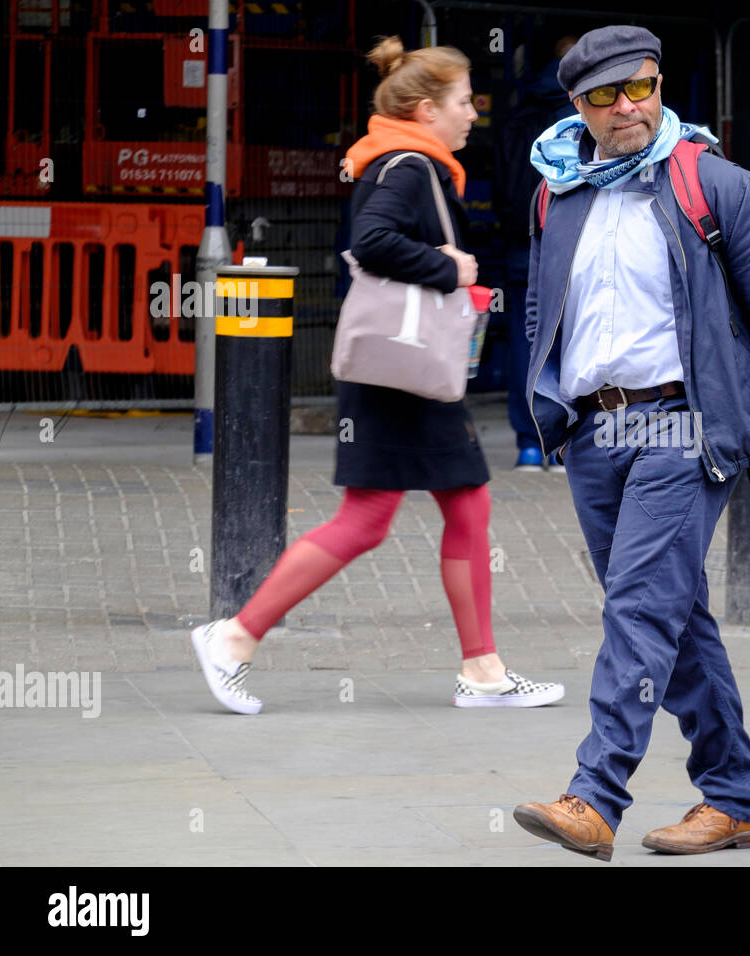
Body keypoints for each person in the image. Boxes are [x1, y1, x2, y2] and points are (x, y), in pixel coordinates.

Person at [510, 25, 750, 861]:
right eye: (604, 95)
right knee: (670, 614)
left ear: (660, 84)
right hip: (597, 427)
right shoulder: (557, 191)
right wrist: (549, 407)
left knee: (637, 605)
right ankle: (736, 795)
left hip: (681, 422)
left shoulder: (719, 186)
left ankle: (596, 795)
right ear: (577, 105)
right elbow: (544, 303)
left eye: (642, 87)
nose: (627, 107)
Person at [189, 37, 563, 713]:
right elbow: (372, 243)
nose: (473, 111)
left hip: (398, 370)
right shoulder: (408, 167)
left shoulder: (407, 160)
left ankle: (480, 669)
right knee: (374, 519)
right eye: (462, 100)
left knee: (444, 506)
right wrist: (451, 268)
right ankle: (234, 637)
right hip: (403, 373)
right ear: (426, 109)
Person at [495, 36, 578, 471]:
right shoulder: (579, 113)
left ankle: (529, 443)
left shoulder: (518, 113)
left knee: (523, 342)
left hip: (518, 244)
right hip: (567, 244)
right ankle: (563, 440)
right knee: (568, 339)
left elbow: (501, 184)